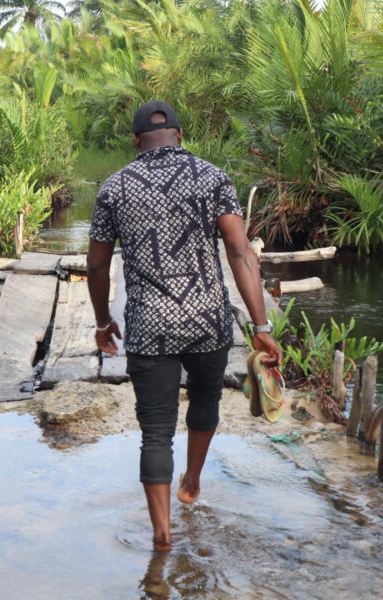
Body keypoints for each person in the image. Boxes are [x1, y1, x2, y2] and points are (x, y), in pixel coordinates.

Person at [86, 100, 282, 552]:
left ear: (136, 142)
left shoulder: (114, 188)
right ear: (181, 136)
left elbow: (97, 265)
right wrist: (261, 324)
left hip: (150, 324)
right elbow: (239, 252)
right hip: (207, 318)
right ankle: (191, 482)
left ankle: (161, 535)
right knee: (206, 399)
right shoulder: (212, 177)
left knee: (155, 429)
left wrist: (102, 321)